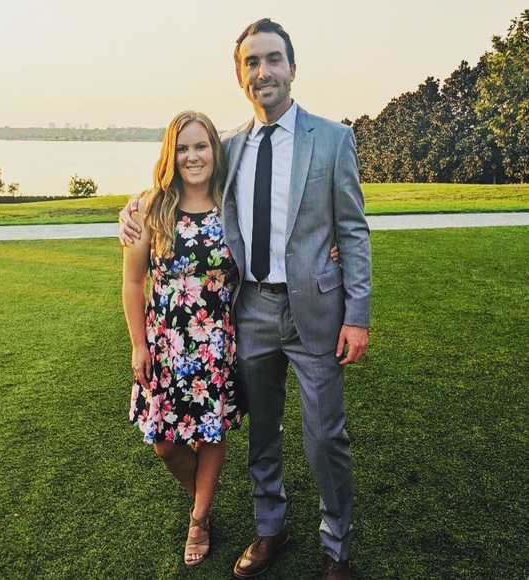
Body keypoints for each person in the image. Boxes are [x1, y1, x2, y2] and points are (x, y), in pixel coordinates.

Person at [120, 18, 371, 580]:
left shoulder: (333, 139)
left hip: (316, 311)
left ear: (292, 68)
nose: (263, 71)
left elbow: (353, 232)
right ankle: (270, 527)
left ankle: (337, 547)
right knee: (262, 432)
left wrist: (357, 315)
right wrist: (132, 209)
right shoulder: (229, 146)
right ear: (240, 76)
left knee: (325, 434)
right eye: (251, 62)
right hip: (249, 311)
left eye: (273, 59)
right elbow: (181, 185)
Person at [122, 110, 244, 567]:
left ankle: (200, 517)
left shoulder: (234, 206)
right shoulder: (150, 209)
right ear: (170, 155)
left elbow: (283, 237)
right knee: (165, 443)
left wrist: (329, 245)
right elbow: (133, 281)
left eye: (201, 146)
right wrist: (139, 344)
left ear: (215, 151)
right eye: (183, 148)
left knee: (210, 432)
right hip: (165, 345)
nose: (193, 157)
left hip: (215, 345)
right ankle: (203, 494)